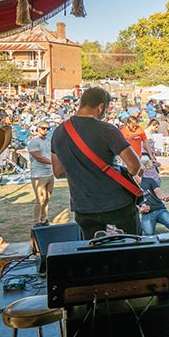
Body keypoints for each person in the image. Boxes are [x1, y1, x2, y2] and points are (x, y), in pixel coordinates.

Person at [51, 87, 142, 239]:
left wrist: (83, 171)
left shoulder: (59, 132)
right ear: (101, 107)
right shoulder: (107, 130)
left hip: (83, 205)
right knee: (133, 247)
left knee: (93, 253)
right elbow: (134, 166)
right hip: (117, 203)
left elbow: (58, 172)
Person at [137, 169, 169, 241]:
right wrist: (140, 210)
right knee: (148, 234)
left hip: (159, 209)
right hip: (147, 213)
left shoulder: (149, 180)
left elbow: (158, 192)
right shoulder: (130, 186)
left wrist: (164, 198)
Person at [27, 120, 54, 227]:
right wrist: (54, 163)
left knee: (47, 198)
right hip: (38, 174)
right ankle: (36, 221)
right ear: (38, 128)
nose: (46, 130)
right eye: (43, 128)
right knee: (40, 200)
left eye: (48, 129)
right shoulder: (33, 141)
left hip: (49, 173)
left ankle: (44, 219)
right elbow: (38, 157)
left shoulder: (48, 140)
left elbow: (51, 154)